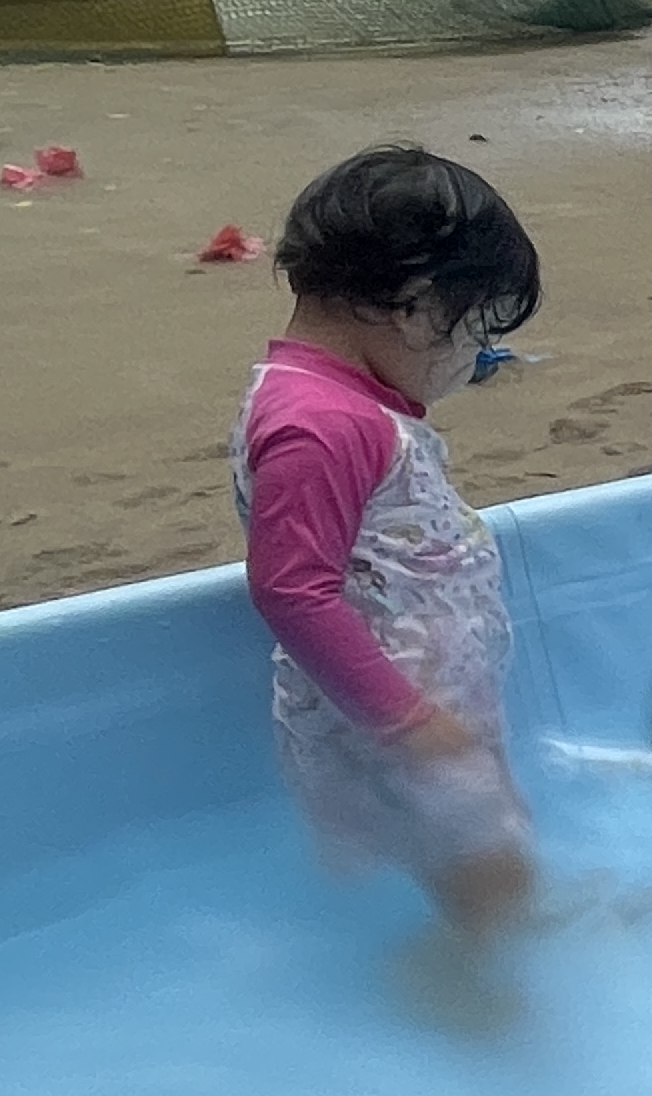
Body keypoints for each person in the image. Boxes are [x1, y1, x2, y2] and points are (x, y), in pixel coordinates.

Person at [227, 144, 542, 1016]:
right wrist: (404, 719)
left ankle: (473, 942)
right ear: (412, 307)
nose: (471, 360)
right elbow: (291, 589)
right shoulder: (319, 424)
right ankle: (454, 992)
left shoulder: (341, 402)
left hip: (408, 704)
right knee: (494, 869)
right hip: (392, 715)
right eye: (473, 332)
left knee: (476, 861)